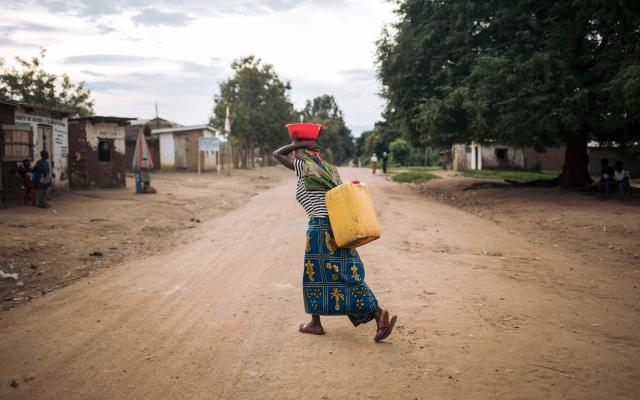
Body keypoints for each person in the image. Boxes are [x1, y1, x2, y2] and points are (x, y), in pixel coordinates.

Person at [272, 132, 397, 343]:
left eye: (296, 152)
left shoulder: (306, 167)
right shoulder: (330, 170)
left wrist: (301, 143)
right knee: (346, 273)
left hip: (320, 229)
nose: (292, 156)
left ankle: (317, 323)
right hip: (338, 227)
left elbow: (277, 153)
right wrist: (307, 145)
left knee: (315, 277)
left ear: (301, 153)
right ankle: (377, 315)